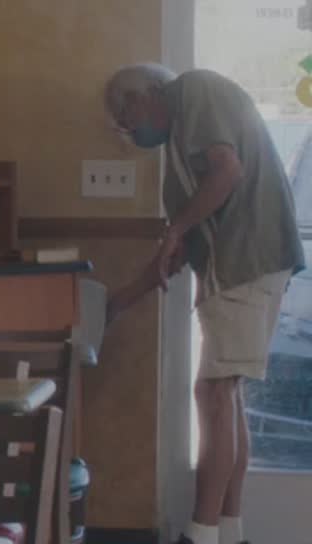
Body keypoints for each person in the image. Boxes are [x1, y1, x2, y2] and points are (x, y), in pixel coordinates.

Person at [103, 63, 305, 544]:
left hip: (246, 261)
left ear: (146, 94)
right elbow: (176, 253)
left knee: (212, 394)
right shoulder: (178, 150)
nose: (129, 133)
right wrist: (118, 302)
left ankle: (201, 534)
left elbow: (227, 170)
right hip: (240, 268)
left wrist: (176, 228)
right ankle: (229, 531)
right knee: (224, 395)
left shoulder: (194, 90)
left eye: (125, 119)